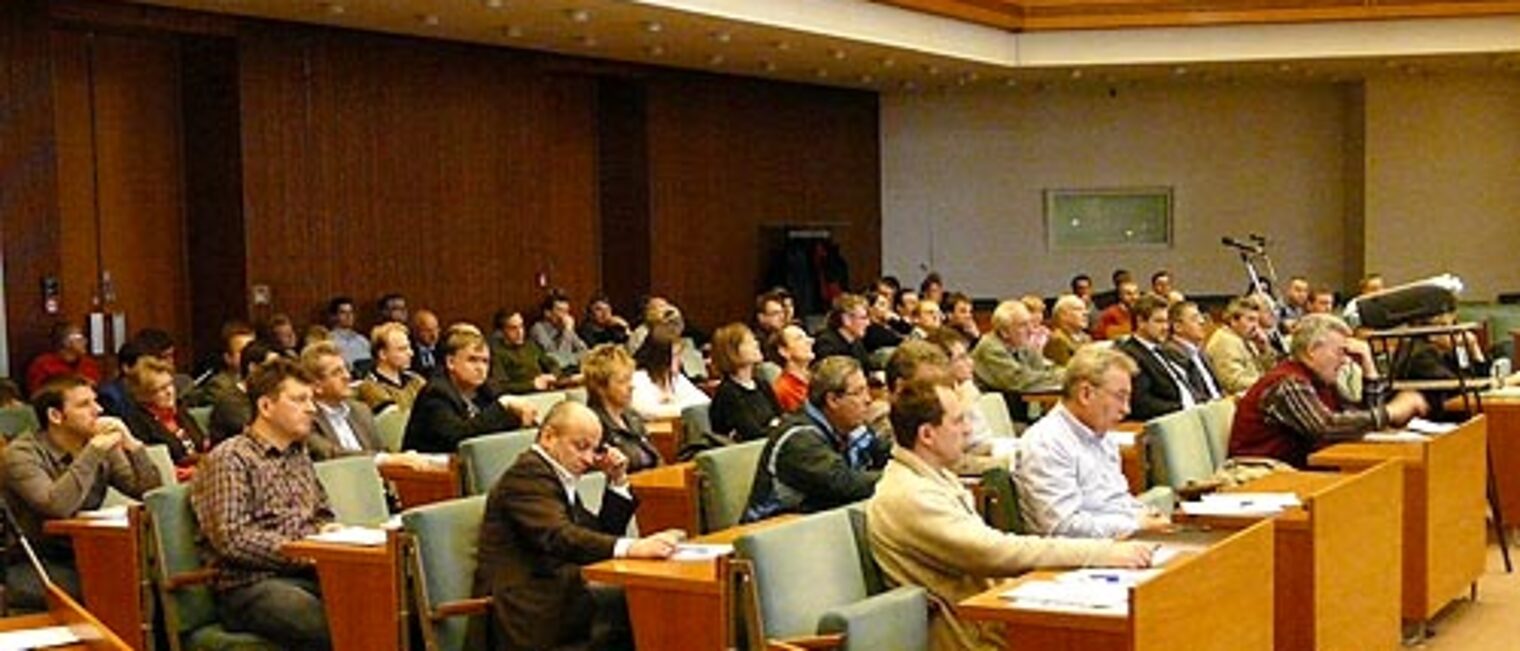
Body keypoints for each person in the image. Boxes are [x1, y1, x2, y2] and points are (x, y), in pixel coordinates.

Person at [867, 377, 1153, 651]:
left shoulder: (934, 477)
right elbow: (994, 552)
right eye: (958, 421)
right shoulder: (911, 495)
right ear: (927, 434)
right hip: (968, 632)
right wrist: (1099, 553)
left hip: (987, 617)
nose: (968, 430)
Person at [472, 402, 682, 651]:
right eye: (580, 446)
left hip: (561, 597)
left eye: (594, 450)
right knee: (640, 606)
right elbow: (560, 536)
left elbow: (596, 534)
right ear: (549, 436)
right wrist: (634, 546)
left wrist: (616, 481)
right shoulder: (527, 476)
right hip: (528, 612)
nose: (588, 459)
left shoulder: (555, 475)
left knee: (643, 603)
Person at [191, 358, 335, 650]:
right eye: (299, 400)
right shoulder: (231, 458)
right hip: (249, 585)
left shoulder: (299, 455)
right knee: (325, 622)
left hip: (307, 572)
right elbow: (232, 538)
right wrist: (303, 551)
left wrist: (329, 531)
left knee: (375, 602)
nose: (312, 408)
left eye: (311, 399)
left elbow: (321, 512)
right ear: (266, 407)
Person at [2, 376, 161, 606]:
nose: (98, 410)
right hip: (36, 559)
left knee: (151, 580)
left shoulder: (96, 443)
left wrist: (133, 445)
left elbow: (147, 491)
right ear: (55, 416)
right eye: (84, 405)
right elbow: (56, 506)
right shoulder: (21, 455)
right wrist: (93, 452)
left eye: (95, 402)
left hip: (89, 551)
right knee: (107, 587)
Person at [1230, 314, 1428, 467]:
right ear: (1312, 351)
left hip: (1297, 470)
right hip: (1264, 474)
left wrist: (1369, 367)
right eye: (1340, 351)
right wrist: (1391, 411)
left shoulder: (1319, 380)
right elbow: (1326, 427)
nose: (1345, 360)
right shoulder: (1288, 383)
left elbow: (1358, 420)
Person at [1017, 347, 1172, 538]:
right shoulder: (1046, 443)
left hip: (1120, 544)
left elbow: (1115, 500)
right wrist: (1135, 524)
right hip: (1078, 558)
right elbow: (1062, 527)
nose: (1126, 409)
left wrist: (1143, 511)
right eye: (1120, 397)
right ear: (1086, 394)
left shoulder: (1103, 435)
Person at [742, 356, 888, 522]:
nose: (868, 400)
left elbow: (885, 452)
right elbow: (845, 484)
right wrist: (898, 477)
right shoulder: (798, 440)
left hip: (822, 522)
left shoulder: (850, 425)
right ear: (833, 400)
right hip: (776, 532)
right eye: (858, 392)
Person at [403, 329, 537, 453]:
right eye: (472, 360)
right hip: (428, 472)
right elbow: (459, 437)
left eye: (485, 362)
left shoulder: (487, 390)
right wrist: (503, 405)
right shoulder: (436, 394)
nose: (480, 368)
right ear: (450, 362)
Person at [121, 357, 207, 480]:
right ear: (143, 395)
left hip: (201, 474)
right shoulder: (137, 423)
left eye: (170, 385)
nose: (169, 392)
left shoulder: (179, 410)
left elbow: (201, 444)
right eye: (160, 389)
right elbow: (157, 467)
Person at [1116, 294, 1198, 421]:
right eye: (1159, 321)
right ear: (1141, 322)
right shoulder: (1130, 354)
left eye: (1166, 321)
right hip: (1167, 422)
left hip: (1188, 414)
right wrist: (1184, 407)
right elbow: (1142, 404)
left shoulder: (1164, 350)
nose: (1165, 327)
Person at [582, 345, 662, 473]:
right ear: (600, 388)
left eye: (630, 379)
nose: (631, 386)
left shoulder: (632, 417)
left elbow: (656, 459)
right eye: (622, 381)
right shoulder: (591, 425)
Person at [302, 342, 383, 459]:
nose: (347, 376)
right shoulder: (307, 417)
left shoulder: (361, 410)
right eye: (337, 372)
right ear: (316, 386)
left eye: (346, 369)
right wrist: (380, 459)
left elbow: (380, 450)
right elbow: (331, 455)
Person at [970, 300, 1063, 402]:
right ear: (1004, 332)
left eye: (1030, 323)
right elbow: (1019, 381)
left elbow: (1044, 368)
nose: (1031, 330)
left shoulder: (1021, 344)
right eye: (1023, 325)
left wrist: (1070, 375)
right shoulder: (991, 347)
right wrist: (1061, 377)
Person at [709, 323, 783, 443]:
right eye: (748, 342)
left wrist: (774, 426)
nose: (756, 344)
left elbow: (783, 420)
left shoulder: (762, 384)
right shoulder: (728, 393)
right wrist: (774, 425)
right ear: (732, 351)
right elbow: (752, 434)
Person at [1206, 297, 1279, 395]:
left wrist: (1264, 349)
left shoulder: (1246, 338)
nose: (1256, 326)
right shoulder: (1224, 342)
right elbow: (1233, 382)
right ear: (1233, 321)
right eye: (1250, 320)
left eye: (1257, 321)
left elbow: (1270, 369)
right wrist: (1267, 382)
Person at [629, 332, 709, 420]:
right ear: (661, 357)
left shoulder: (675, 378)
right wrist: (685, 407)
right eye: (675, 355)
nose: (680, 361)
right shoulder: (638, 379)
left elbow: (704, 402)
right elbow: (650, 412)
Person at [355, 322, 426, 412]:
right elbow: (395, 420)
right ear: (383, 354)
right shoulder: (370, 387)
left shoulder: (416, 381)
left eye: (409, 347)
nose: (411, 353)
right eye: (402, 349)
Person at [488, 310, 564, 395]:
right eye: (513, 328)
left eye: (521, 326)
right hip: (521, 396)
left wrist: (553, 375)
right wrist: (531, 385)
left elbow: (552, 363)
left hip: (544, 390)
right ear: (502, 331)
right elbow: (500, 386)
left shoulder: (530, 345)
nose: (520, 332)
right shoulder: (496, 352)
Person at [186, 322, 256, 408]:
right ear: (228, 358)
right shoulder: (219, 386)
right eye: (243, 351)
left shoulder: (262, 377)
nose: (251, 355)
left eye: (253, 349)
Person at [1166, 301, 1224, 402]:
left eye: (1201, 317)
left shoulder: (1200, 352)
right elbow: (1192, 395)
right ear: (1177, 327)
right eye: (1194, 318)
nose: (1202, 322)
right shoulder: (1171, 353)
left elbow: (1217, 388)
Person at [26, 322, 102, 393]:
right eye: (80, 338)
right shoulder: (42, 365)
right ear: (66, 342)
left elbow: (96, 388)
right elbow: (39, 394)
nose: (85, 342)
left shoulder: (89, 364)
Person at [531, 290, 590, 370]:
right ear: (547, 313)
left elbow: (585, 352)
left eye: (566, 311)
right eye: (560, 310)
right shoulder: (538, 329)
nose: (565, 316)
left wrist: (570, 359)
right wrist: (568, 331)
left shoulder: (564, 327)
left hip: (571, 370)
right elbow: (558, 361)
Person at [811, 293, 872, 371]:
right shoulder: (826, 344)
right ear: (846, 319)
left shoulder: (856, 343)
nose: (868, 323)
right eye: (863, 318)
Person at [768, 325, 814, 413]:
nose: (810, 341)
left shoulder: (816, 377)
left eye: (806, 336)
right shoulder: (783, 390)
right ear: (784, 351)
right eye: (799, 338)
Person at [1043, 294, 1092, 366]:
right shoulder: (1058, 340)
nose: (1085, 313)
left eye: (1085, 309)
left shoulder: (1086, 338)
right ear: (1063, 315)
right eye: (1078, 309)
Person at [326, 296, 371, 372]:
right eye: (343, 312)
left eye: (351, 312)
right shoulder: (329, 340)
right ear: (333, 316)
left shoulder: (363, 340)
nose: (348, 316)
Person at [411, 309, 443, 376]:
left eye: (436, 329)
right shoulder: (409, 349)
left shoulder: (444, 348)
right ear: (416, 331)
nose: (434, 335)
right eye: (428, 331)